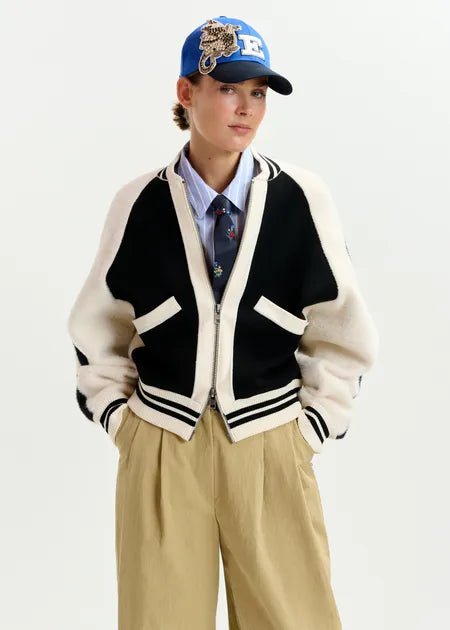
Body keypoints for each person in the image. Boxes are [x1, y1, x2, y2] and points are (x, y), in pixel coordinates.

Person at [67, 15, 379, 629]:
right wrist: (123, 423)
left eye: (258, 92)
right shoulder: (138, 203)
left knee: (294, 618)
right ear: (187, 92)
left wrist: (311, 428)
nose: (246, 108)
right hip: (162, 446)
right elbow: (97, 328)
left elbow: (342, 330)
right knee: (159, 619)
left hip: (271, 445)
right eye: (228, 88)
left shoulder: (301, 198)